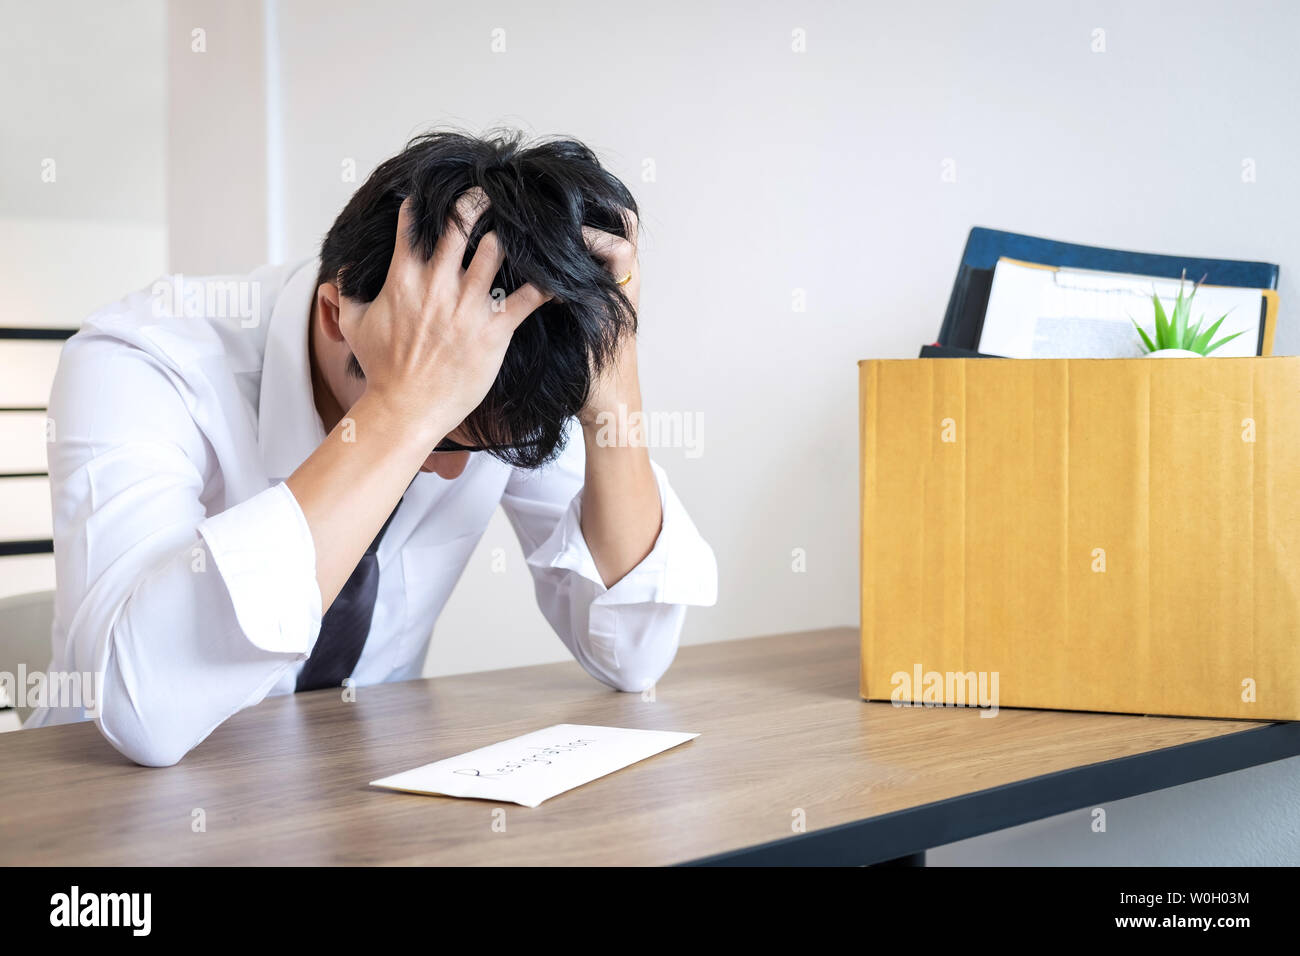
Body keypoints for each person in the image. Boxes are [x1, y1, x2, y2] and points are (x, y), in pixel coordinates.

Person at [26, 130, 718, 766]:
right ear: (338, 316)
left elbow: (632, 654)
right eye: (445, 436)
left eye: (484, 450)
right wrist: (408, 409)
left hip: (358, 801)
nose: (450, 473)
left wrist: (613, 388)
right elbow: (143, 709)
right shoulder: (142, 360)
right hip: (97, 814)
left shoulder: (498, 374)